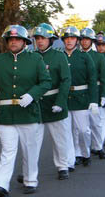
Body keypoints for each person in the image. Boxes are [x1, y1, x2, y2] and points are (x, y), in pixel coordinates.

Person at [0, 24, 51, 196]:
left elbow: (46, 82)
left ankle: (30, 180)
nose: (13, 42)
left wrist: (32, 95)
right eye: (11, 39)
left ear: (24, 42)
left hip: (29, 113)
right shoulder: (0, 60)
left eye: (17, 39)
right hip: (6, 115)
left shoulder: (35, 59)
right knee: (7, 151)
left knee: (30, 150)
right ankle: (1, 185)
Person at [32, 23, 72, 179]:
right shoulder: (32, 56)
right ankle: (30, 170)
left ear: (51, 40)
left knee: (60, 139)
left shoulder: (59, 55)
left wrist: (60, 102)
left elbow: (66, 80)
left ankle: (63, 166)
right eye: (37, 38)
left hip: (54, 101)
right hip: (36, 103)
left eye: (43, 38)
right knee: (32, 142)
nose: (40, 41)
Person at [60, 26, 98, 167]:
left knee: (83, 130)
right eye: (66, 38)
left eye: (72, 38)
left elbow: (92, 80)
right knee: (68, 131)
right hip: (65, 98)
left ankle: (85, 152)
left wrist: (93, 100)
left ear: (77, 41)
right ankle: (73, 156)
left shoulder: (84, 57)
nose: (69, 41)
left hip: (81, 98)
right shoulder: (60, 56)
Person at [80, 28, 105, 159]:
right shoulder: (75, 55)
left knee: (96, 123)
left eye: (87, 39)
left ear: (91, 41)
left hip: (95, 93)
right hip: (80, 94)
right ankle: (81, 151)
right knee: (80, 127)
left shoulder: (98, 56)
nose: (84, 42)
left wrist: (104, 95)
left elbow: (104, 77)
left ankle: (98, 146)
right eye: (83, 39)